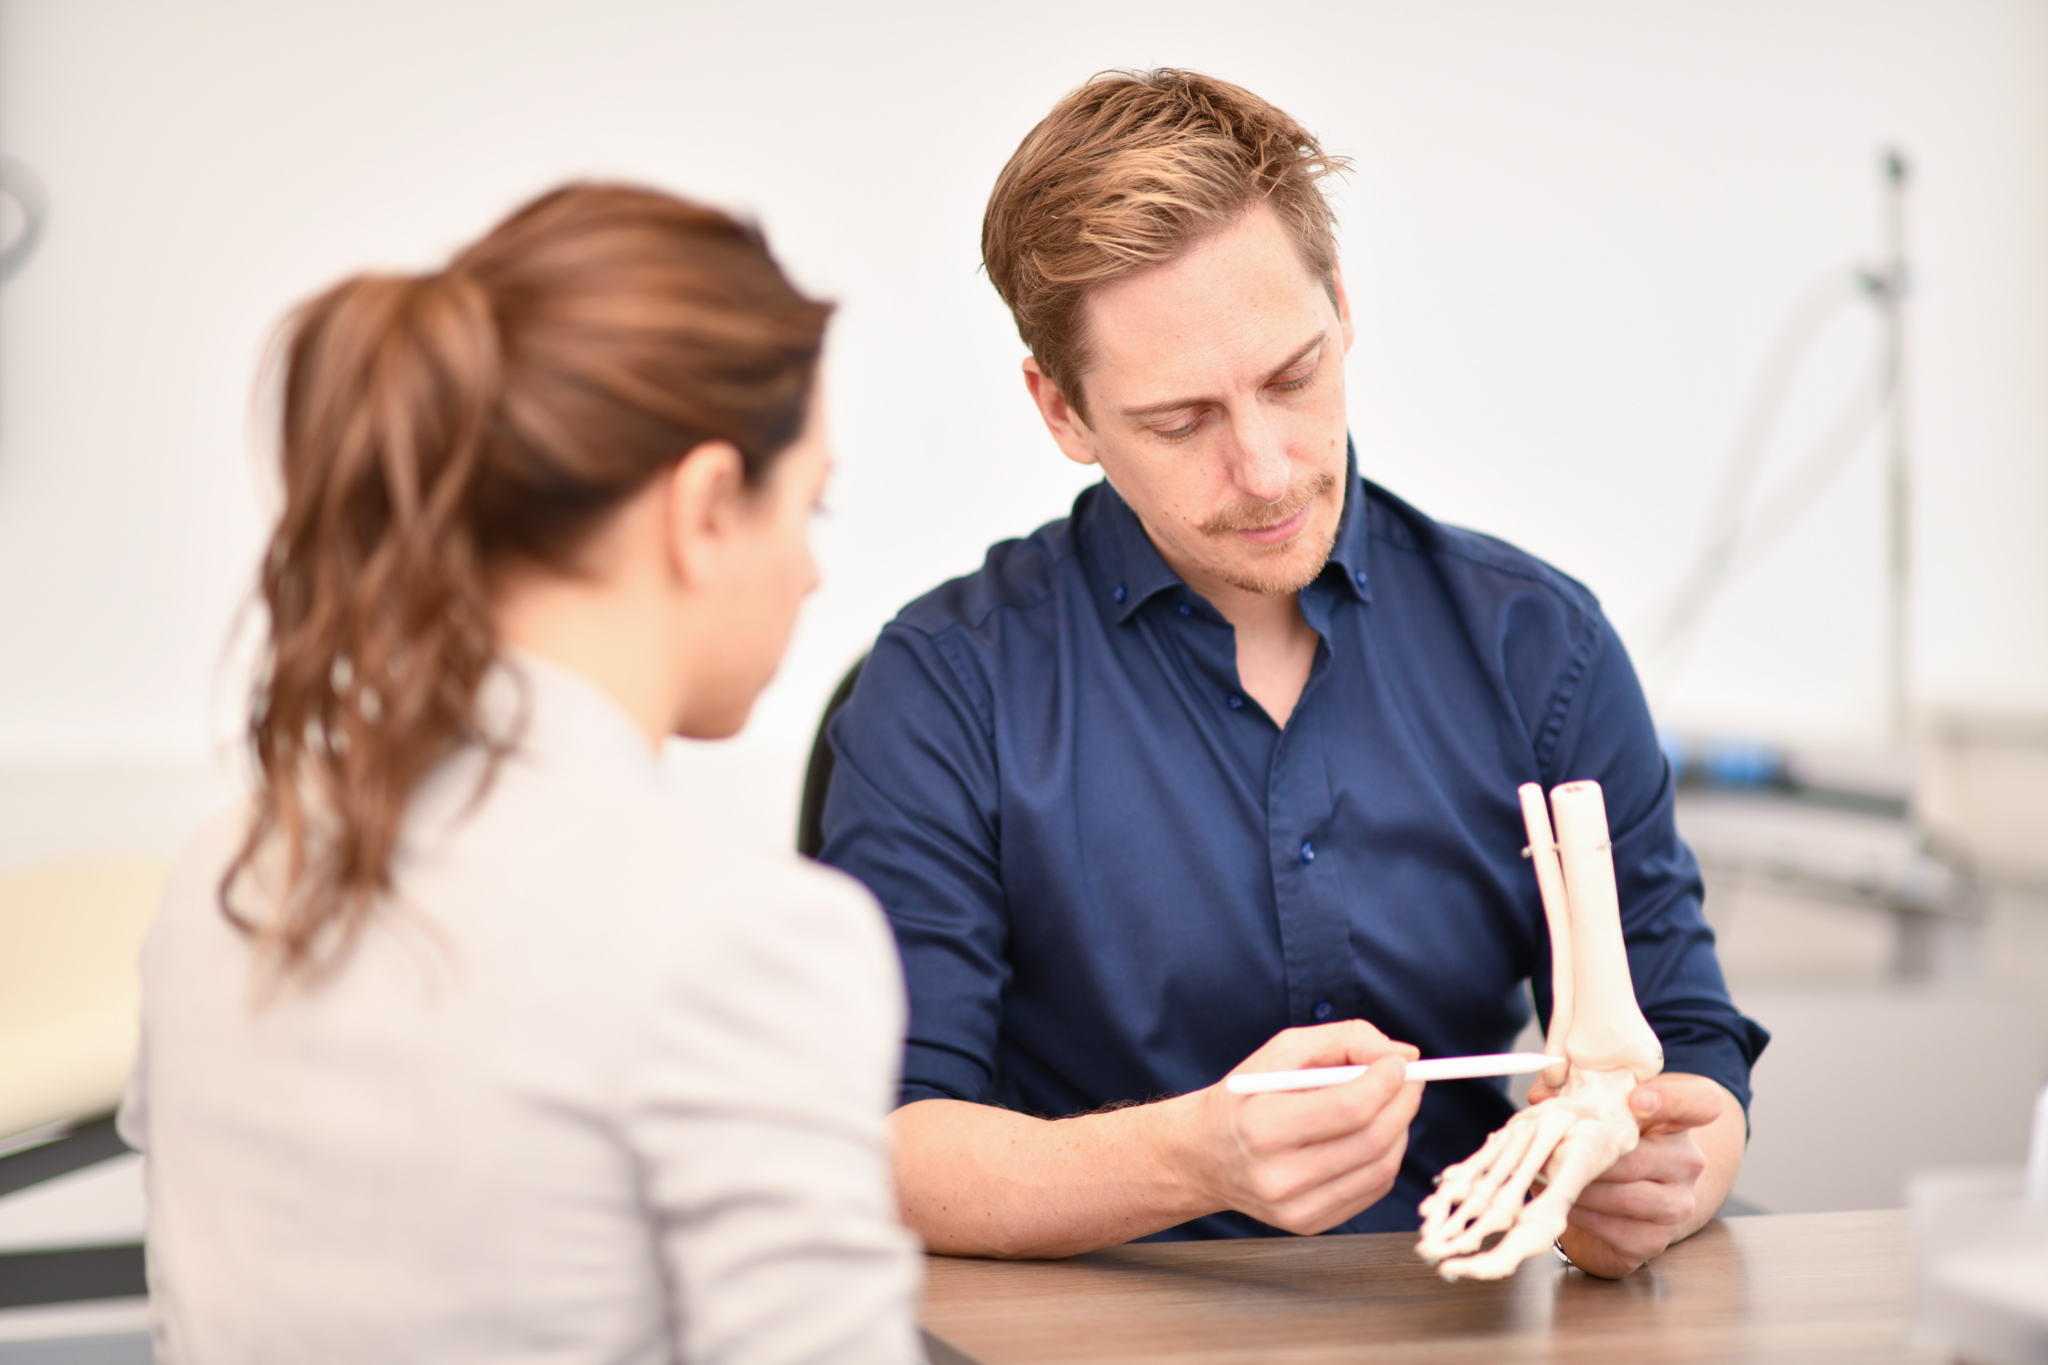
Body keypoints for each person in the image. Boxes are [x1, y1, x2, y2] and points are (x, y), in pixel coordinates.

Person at [817, 70, 1769, 1277]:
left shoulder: (1539, 647)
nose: (1264, 469)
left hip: (1454, 1320)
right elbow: (885, 1150)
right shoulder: (942, 690)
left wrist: (1670, 1175)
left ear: (1341, 310)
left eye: (1290, 376)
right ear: (1061, 411)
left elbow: (1684, 1040)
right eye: (1179, 421)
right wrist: (1190, 1161)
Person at [118, 184, 921, 1362]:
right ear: (704, 507)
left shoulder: (221, 878)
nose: (807, 573)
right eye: (810, 506)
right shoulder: (746, 941)